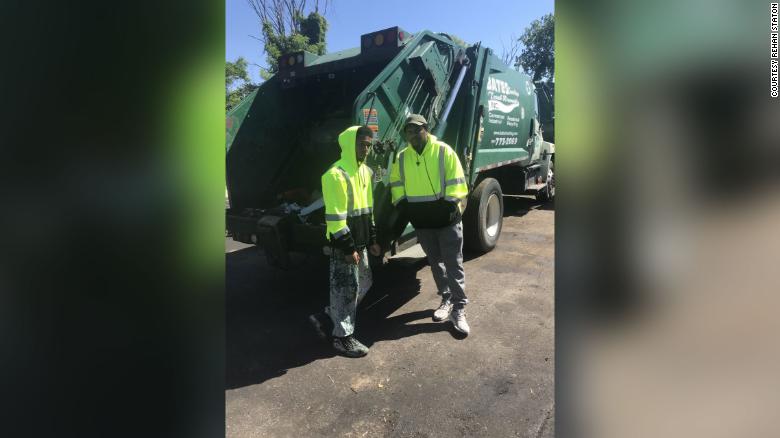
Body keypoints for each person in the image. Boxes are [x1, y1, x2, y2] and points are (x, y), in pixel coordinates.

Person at [389, 114, 471, 335]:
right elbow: (395, 183)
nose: (412, 134)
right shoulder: (402, 157)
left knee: (454, 264)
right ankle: (446, 300)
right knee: (436, 263)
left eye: (417, 129)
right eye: (408, 131)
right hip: (423, 223)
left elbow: (458, 181)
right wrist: (403, 205)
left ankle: (459, 308)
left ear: (426, 129)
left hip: (446, 221)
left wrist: (447, 207)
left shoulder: (443, 151)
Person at [309, 125, 382, 357]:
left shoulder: (365, 173)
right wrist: (348, 248)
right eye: (362, 144)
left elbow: (368, 210)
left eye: (369, 145)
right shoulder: (335, 174)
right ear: (350, 144)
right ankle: (343, 338)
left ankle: (332, 313)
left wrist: (372, 239)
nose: (366, 149)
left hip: (361, 242)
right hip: (344, 245)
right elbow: (335, 219)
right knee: (346, 290)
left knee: (365, 282)